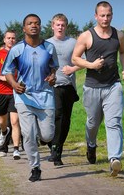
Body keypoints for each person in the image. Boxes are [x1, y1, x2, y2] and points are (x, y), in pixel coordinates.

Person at [72, 1, 124, 177]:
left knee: (114, 122)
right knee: (93, 123)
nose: (105, 18)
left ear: (112, 15)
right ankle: (91, 144)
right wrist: (91, 64)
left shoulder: (118, 35)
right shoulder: (86, 36)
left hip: (113, 85)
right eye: (102, 15)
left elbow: (123, 52)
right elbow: (75, 58)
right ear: (96, 16)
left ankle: (114, 160)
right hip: (92, 87)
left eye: (108, 15)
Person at [2, 14, 59, 182]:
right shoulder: (17, 49)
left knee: (47, 135)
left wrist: (53, 76)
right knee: (28, 134)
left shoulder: (49, 47)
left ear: (41, 27)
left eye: (37, 23)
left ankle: (43, 140)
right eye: (30, 23)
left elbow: (54, 68)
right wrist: (14, 84)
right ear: (24, 28)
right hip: (24, 96)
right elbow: (6, 72)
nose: (34, 25)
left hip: (45, 95)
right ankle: (35, 167)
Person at [46, 13, 81, 166]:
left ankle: (57, 150)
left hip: (68, 86)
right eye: (57, 24)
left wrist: (73, 68)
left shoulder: (74, 42)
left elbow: (84, 62)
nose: (60, 27)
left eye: (63, 25)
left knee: (65, 119)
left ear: (66, 26)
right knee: (56, 115)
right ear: (52, 26)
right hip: (52, 86)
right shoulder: (46, 43)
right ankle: (53, 146)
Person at [0, 30, 21, 159]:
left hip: (15, 91)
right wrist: (1, 78)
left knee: (15, 121)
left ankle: (16, 149)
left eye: (13, 38)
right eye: (8, 38)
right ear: (4, 40)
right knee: (2, 122)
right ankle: (4, 133)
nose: (11, 40)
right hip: (1, 91)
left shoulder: (19, 53)